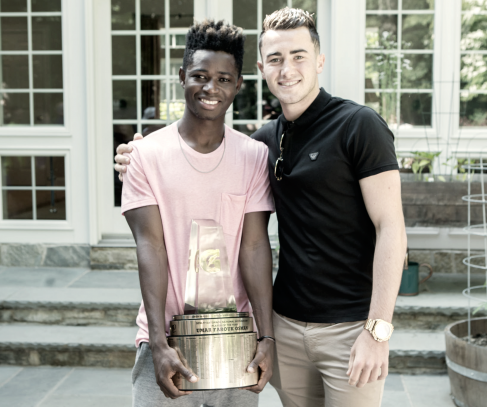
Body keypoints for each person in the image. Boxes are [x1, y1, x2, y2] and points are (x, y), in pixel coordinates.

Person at [115, 8, 407, 407]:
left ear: (319, 60)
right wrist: (137, 156)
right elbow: (159, 226)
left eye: (299, 56)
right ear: (261, 69)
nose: (287, 69)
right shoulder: (266, 142)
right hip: (285, 326)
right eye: (275, 59)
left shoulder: (357, 125)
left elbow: (390, 227)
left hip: (347, 328)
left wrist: (378, 331)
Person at [121, 20, 275, 406]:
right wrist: (158, 343)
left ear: (238, 85)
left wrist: (266, 337)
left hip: (237, 342)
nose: (211, 88)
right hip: (167, 340)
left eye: (224, 79)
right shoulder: (146, 155)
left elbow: (255, 247)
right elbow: (150, 248)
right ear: (181, 76)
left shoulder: (253, 156)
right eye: (200, 76)